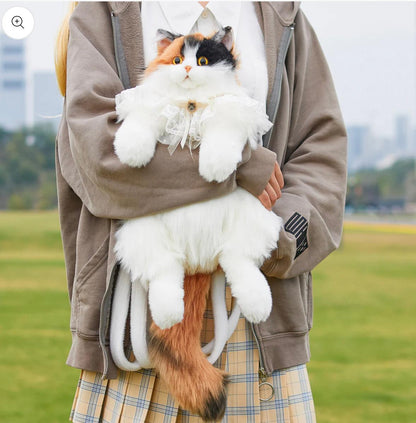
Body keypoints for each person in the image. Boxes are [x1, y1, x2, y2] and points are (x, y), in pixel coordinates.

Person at [55, 1, 347, 422]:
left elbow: (322, 149)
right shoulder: (105, 13)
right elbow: (97, 154)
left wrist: (272, 237)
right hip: (135, 330)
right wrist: (240, 167)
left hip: (256, 323)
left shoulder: (282, 14)